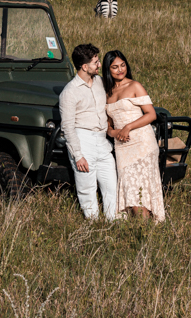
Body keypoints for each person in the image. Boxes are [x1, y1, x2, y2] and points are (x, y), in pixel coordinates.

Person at [102, 49, 166, 222]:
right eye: (114, 67)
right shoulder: (107, 92)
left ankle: (145, 231)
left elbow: (151, 114)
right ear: (108, 70)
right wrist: (115, 132)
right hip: (123, 146)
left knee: (141, 189)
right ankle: (143, 230)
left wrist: (128, 127)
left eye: (122, 65)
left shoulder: (134, 86)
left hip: (142, 143)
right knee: (130, 187)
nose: (120, 70)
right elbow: (108, 126)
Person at [58, 43, 118, 220]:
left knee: (111, 184)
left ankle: (112, 221)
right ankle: (93, 222)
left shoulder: (100, 82)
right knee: (87, 187)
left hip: (102, 139)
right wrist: (78, 155)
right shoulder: (69, 92)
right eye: (95, 62)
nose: (99, 65)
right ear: (85, 67)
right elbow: (67, 127)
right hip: (83, 139)